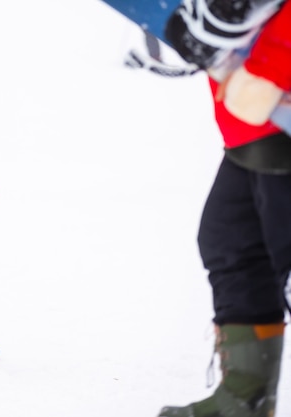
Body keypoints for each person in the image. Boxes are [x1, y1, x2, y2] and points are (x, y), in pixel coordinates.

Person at [157, 1, 291, 416]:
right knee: (231, 241)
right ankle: (245, 400)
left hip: (275, 103)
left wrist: (269, 68)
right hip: (254, 127)